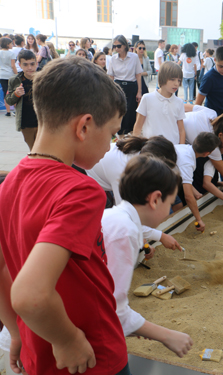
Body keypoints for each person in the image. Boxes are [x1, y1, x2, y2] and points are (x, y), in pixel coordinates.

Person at [0, 57, 130, 375]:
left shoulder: (8, 185)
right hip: (90, 356)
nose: (111, 144)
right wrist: (68, 339)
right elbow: (31, 294)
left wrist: (16, 330)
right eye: (112, 132)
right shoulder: (80, 192)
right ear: (84, 126)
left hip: (37, 350)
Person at [101, 155, 194, 358]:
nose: (168, 211)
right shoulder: (125, 232)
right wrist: (166, 335)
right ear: (154, 199)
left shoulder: (113, 216)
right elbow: (111, 308)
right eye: (169, 203)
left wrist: (136, 326)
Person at [86, 135, 184, 245]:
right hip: (87, 183)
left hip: (105, 180)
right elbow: (125, 218)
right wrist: (160, 236)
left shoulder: (144, 153)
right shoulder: (123, 170)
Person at [175, 132, 223, 231]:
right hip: (152, 180)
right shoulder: (188, 163)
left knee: (177, 205)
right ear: (207, 153)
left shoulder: (184, 148)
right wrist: (199, 219)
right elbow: (188, 196)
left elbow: (181, 176)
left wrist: (218, 183)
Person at [132, 61, 185, 144]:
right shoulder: (147, 98)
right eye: (172, 79)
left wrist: (182, 149)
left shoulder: (179, 102)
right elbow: (138, 126)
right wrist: (134, 146)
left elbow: (181, 130)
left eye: (179, 80)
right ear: (162, 78)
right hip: (150, 147)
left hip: (172, 149)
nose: (176, 84)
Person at [108, 34, 143, 137]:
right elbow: (111, 76)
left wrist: (139, 92)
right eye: (114, 46)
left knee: (130, 111)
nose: (116, 48)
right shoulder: (113, 59)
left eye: (118, 46)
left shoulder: (134, 57)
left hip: (131, 86)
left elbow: (138, 75)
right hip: (117, 86)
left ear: (124, 45)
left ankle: (129, 134)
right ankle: (119, 133)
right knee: (118, 110)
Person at [5, 50, 38, 150]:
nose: (29, 68)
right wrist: (16, 94)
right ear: (19, 65)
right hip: (26, 123)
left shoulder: (44, 78)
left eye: (32, 64)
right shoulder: (14, 80)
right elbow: (9, 100)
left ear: (36, 63)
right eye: (25, 64)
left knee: (44, 151)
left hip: (44, 122)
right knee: (33, 150)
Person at [195, 46, 223, 116]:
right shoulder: (208, 78)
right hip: (211, 116)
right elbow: (197, 104)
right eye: (221, 66)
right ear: (215, 60)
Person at [0, 37, 16, 117]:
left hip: (2, 75)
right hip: (10, 75)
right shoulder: (11, 53)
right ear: (7, 44)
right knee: (13, 92)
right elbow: (13, 66)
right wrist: (16, 74)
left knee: (5, 93)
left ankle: (8, 112)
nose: (12, 45)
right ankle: (16, 110)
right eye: (11, 43)